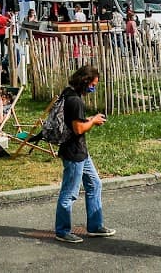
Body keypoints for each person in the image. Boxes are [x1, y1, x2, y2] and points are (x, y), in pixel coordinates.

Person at [52, 65, 112, 244]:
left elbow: (72, 122)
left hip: (80, 152)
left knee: (94, 184)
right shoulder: (75, 101)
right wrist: (93, 121)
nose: (93, 88)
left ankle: (95, 226)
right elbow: (78, 129)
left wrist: (89, 119)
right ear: (84, 82)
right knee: (70, 192)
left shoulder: (68, 93)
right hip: (74, 153)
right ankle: (62, 231)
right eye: (92, 84)